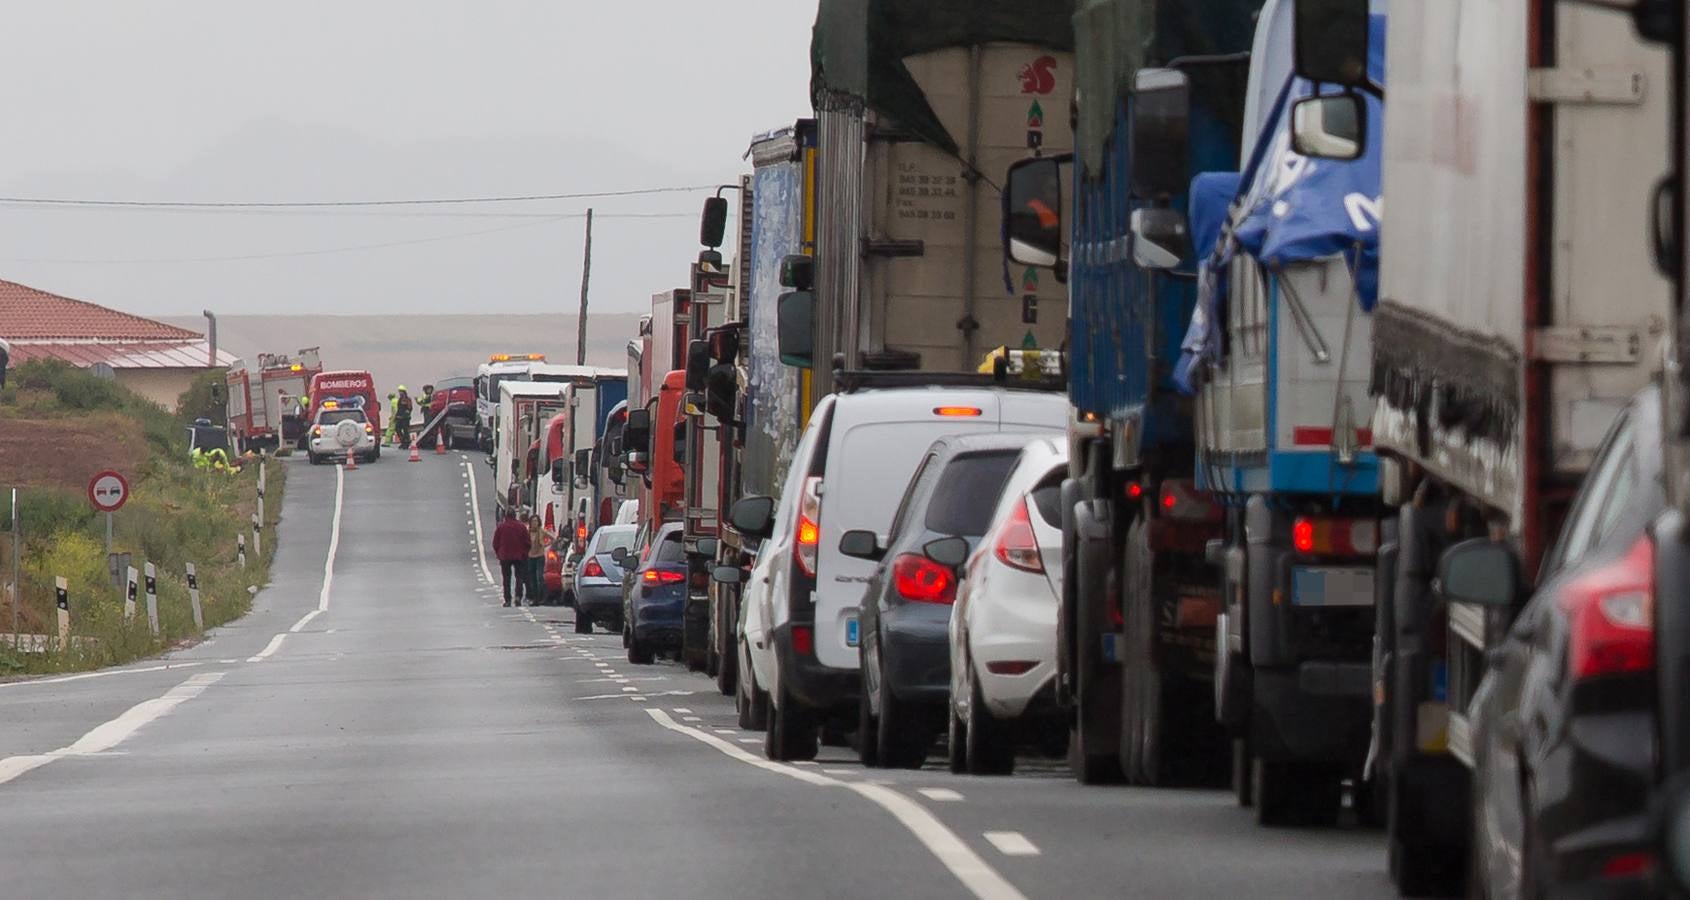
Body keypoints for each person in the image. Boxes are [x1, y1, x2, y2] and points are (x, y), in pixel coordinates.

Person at [492, 509, 530, 607]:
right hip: (519, 556)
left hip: (505, 556)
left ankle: (507, 599)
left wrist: (499, 553)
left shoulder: (501, 527)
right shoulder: (521, 527)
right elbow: (527, 542)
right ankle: (518, 596)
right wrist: (524, 553)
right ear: (515, 516)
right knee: (519, 577)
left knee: (506, 578)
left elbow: (495, 543)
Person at [526, 514, 549, 604]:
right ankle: (535, 598)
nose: (534, 523)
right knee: (532, 578)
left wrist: (545, 545)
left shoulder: (541, 531)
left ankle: (543, 596)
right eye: (533, 521)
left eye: (536, 521)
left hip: (540, 556)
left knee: (539, 576)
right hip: (530, 556)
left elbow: (553, 538)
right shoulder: (528, 532)